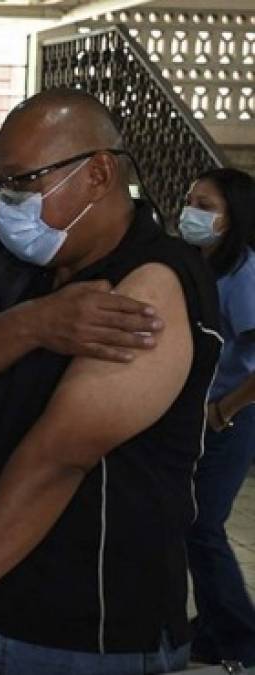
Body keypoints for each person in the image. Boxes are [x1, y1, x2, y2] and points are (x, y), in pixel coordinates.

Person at [0, 89, 220, 674]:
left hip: (87, 628)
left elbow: (59, 459)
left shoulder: (154, 282)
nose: (7, 203)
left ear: (98, 173)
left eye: (22, 182)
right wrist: (33, 325)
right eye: (1, 185)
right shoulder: (15, 265)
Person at [177, 168, 255, 666]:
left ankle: (242, 637)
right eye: (190, 200)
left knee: (204, 525)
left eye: (205, 205)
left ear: (232, 219)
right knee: (189, 522)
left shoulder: (244, 273)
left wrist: (224, 411)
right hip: (197, 416)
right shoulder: (196, 266)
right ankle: (209, 628)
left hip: (232, 416)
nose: (191, 211)